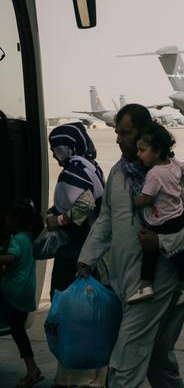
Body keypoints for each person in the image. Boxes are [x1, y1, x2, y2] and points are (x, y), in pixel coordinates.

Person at [78, 104, 184, 388]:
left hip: (157, 279)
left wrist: (163, 241)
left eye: (125, 133)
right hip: (124, 278)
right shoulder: (119, 173)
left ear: (143, 136)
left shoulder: (171, 172)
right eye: (117, 132)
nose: (118, 139)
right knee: (159, 358)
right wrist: (86, 258)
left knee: (126, 358)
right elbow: (106, 219)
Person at [46, 122, 107, 387]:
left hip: (76, 253)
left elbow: (83, 204)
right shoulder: (91, 165)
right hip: (94, 251)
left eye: (54, 148)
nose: (53, 154)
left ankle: (74, 379)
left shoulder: (75, 168)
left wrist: (57, 221)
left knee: (71, 315)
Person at [127, 124, 184, 305]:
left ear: (157, 151)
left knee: (153, 250)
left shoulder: (154, 174)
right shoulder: (175, 165)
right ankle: (179, 283)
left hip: (163, 222)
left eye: (142, 150)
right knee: (176, 252)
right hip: (178, 216)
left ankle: (150, 285)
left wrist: (133, 200)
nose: (138, 154)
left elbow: (145, 199)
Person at [0, 202, 43, 387]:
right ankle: (32, 367)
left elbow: (12, 257)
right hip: (26, 291)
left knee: (18, 330)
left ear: (15, 220)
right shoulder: (28, 237)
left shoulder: (16, 239)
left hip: (14, 290)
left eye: (8, 216)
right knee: (18, 329)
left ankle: (32, 369)